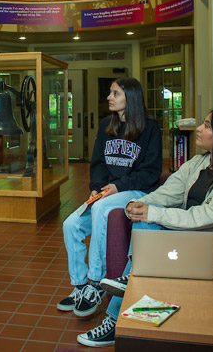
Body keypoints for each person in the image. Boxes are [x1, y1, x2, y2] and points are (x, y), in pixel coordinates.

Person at [79, 109, 213, 348]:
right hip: (186, 241)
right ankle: (129, 283)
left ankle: (115, 317)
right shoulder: (199, 162)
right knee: (148, 222)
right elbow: (169, 191)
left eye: (206, 125)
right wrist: (143, 205)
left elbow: (208, 216)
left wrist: (154, 212)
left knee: (149, 242)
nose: (199, 129)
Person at [58, 78, 162, 318]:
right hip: (108, 193)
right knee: (70, 224)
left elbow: (150, 173)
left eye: (115, 93)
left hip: (137, 192)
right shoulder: (107, 125)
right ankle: (81, 285)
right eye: (110, 93)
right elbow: (98, 165)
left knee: (102, 207)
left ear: (131, 97)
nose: (109, 97)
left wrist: (118, 186)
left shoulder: (150, 128)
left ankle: (96, 283)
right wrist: (96, 188)